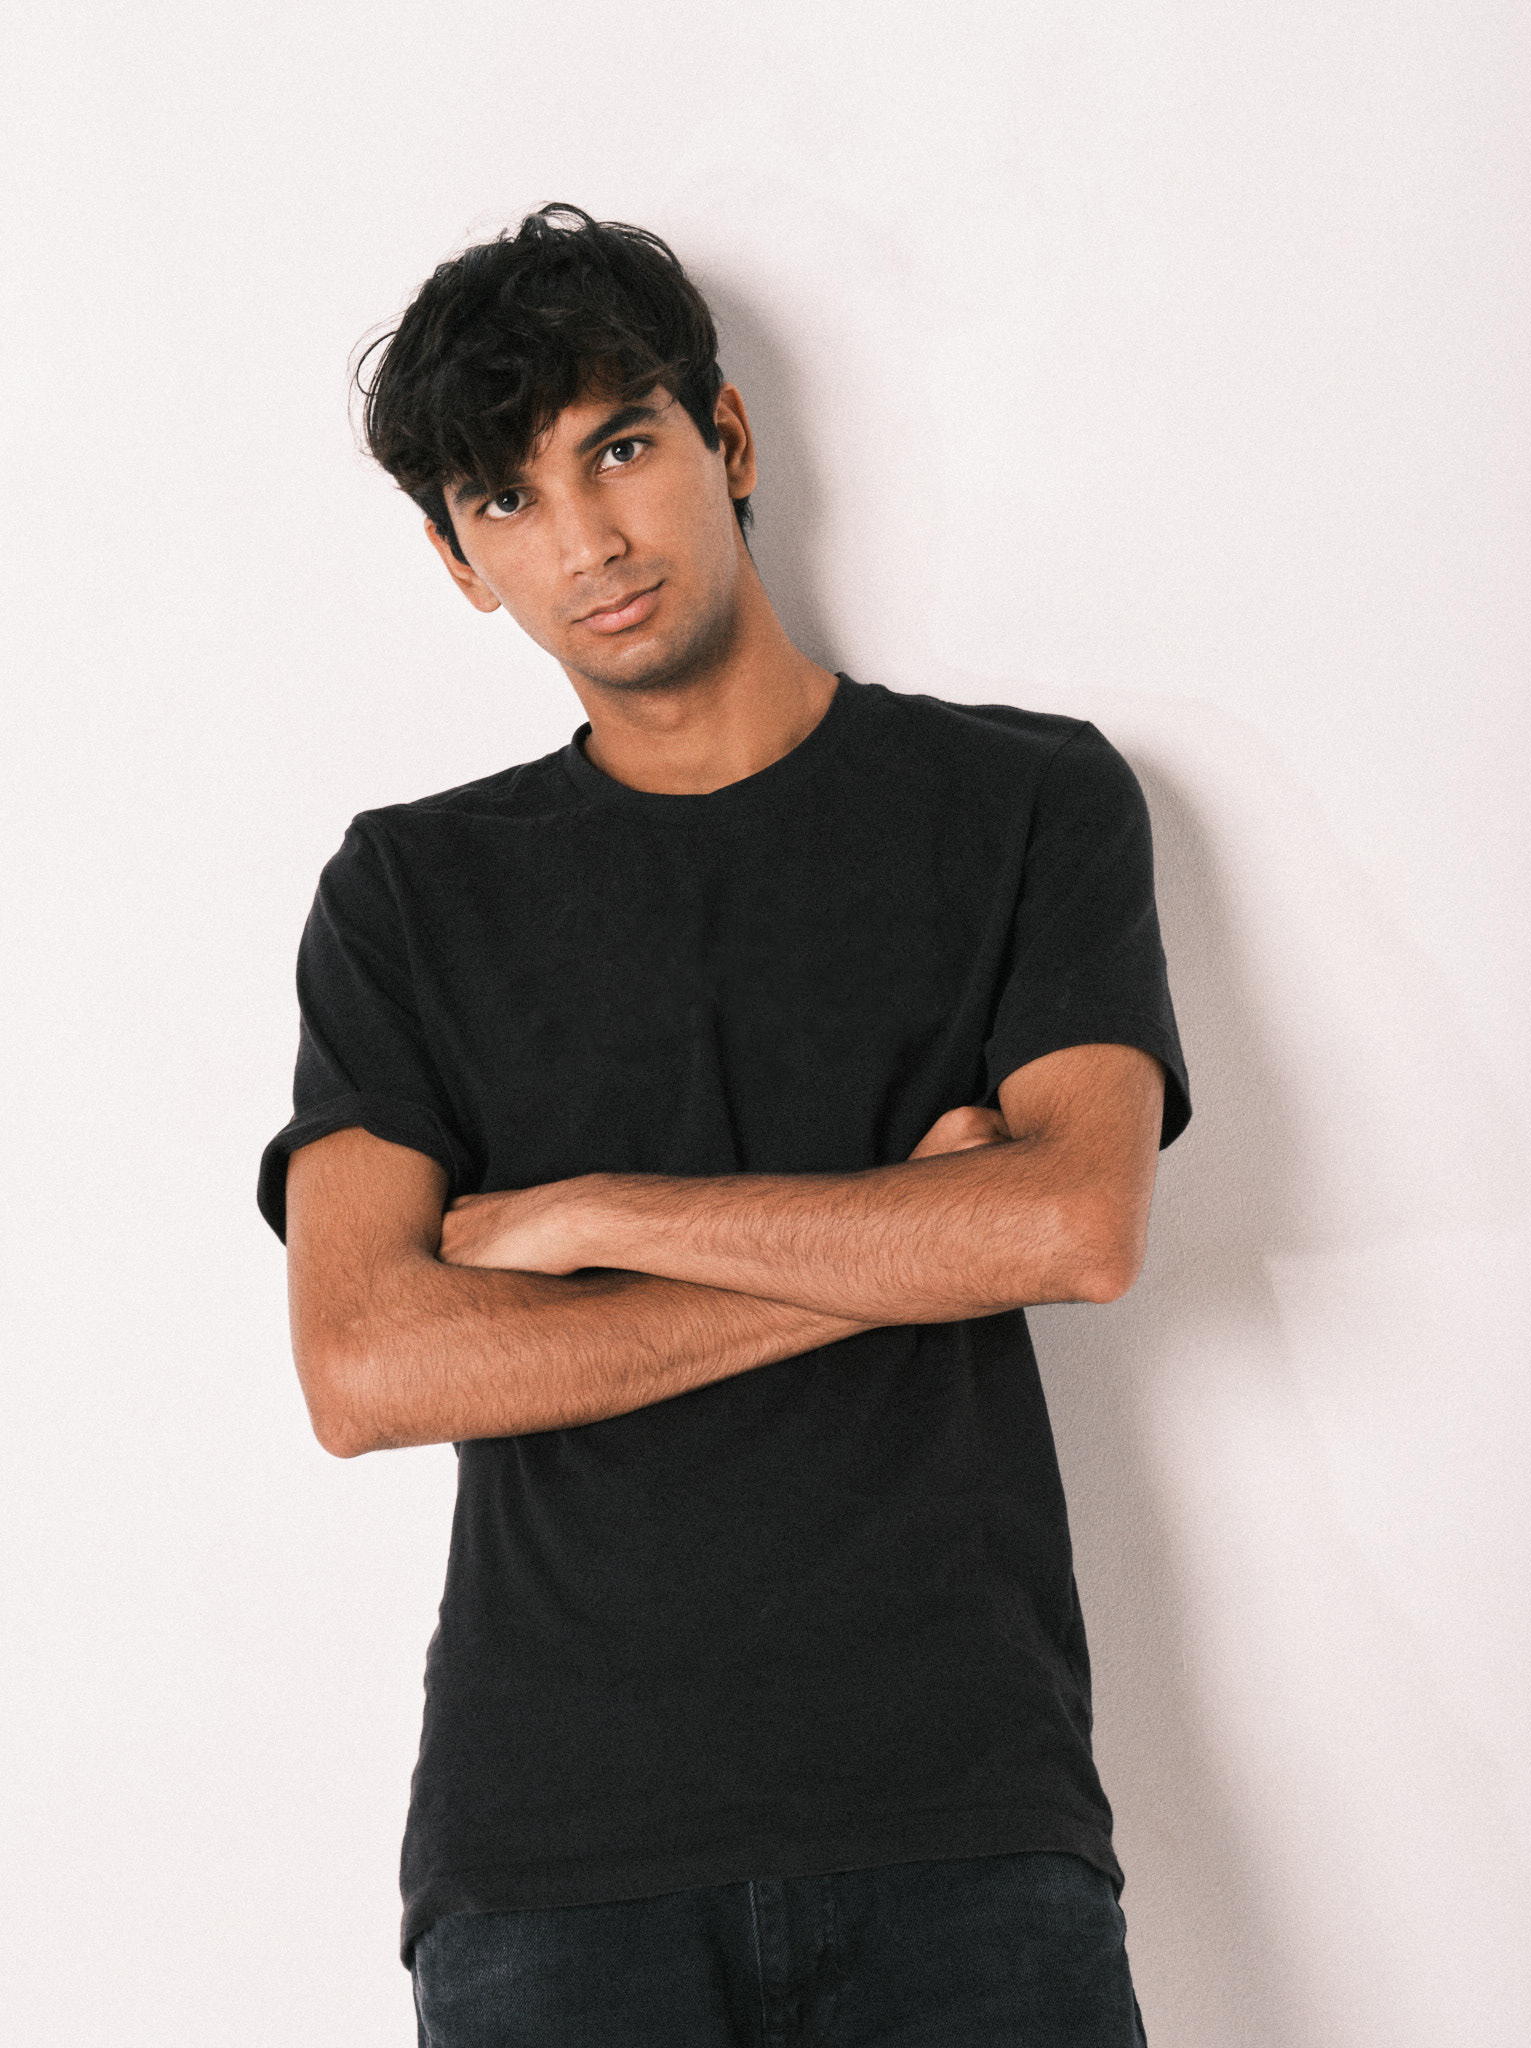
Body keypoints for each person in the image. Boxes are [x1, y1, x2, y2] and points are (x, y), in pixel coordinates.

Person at [258, 203, 1191, 2047]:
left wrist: (593, 1213)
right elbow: (364, 1364)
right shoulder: (410, 894)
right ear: (459, 561)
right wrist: (907, 1241)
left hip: (962, 1818)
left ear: (728, 439)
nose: (587, 540)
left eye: (620, 448)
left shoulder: (1028, 800)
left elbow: (1074, 1226)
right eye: (507, 499)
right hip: (555, 1859)